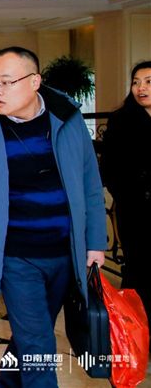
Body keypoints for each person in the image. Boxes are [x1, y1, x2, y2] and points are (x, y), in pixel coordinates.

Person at [0, 47, 106, 387]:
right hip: (16, 258)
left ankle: (7, 382)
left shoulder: (67, 119)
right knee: (39, 344)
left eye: (6, 82)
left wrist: (95, 242)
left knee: (33, 332)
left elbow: (90, 185)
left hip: (64, 253)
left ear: (35, 81)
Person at [100, 60, 151, 324]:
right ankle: (135, 330)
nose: (141, 88)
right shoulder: (121, 121)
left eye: (149, 82)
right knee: (138, 270)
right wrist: (127, 194)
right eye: (136, 82)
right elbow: (109, 168)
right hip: (136, 210)